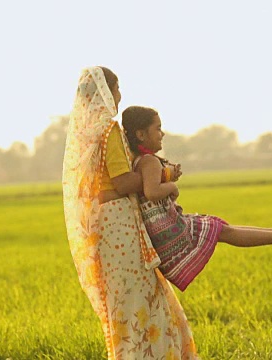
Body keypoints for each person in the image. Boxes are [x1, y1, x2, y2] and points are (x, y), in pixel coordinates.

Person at [62, 67, 198, 359]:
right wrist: (163, 174)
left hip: (104, 227)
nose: (120, 95)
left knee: (124, 300)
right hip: (119, 224)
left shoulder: (88, 133)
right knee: (141, 296)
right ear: (104, 93)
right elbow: (123, 182)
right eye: (116, 88)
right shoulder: (108, 130)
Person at [121, 105, 272, 292]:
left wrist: (168, 176)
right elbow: (152, 192)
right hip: (170, 233)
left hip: (168, 229)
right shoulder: (149, 161)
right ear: (141, 135)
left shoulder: (141, 161)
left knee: (222, 228)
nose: (162, 134)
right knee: (223, 231)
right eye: (158, 128)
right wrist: (172, 186)